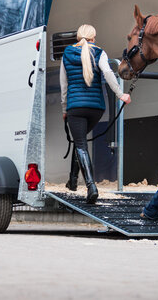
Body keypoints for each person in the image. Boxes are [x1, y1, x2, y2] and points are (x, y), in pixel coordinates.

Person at [60, 24, 130, 203]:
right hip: (96, 108)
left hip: (75, 107)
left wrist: (64, 108)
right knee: (79, 141)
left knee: (80, 144)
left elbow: (64, 85)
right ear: (93, 37)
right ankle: (73, 181)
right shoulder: (100, 52)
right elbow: (108, 73)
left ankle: (91, 187)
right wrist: (120, 94)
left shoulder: (67, 53)